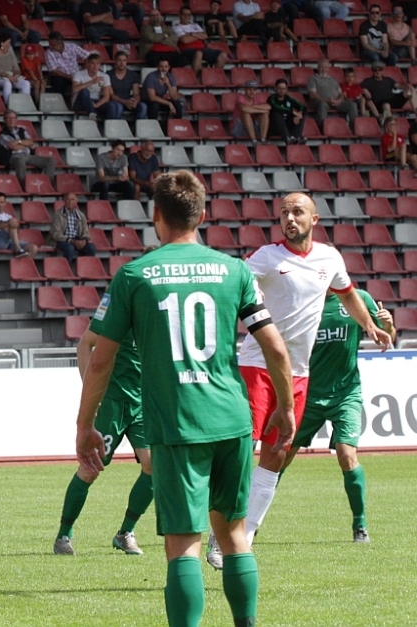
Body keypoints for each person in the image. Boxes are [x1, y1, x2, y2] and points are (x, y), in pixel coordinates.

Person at [75, 169, 296, 627]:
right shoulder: (234, 270)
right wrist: (287, 407)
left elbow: (99, 361)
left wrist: (85, 425)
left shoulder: (135, 275)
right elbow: (275, 348)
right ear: (203, 214)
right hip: (231, 419)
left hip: (177, 424)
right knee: (234, 534)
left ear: (155, 214)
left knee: (182, 543)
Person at [205, 192, 393, 569]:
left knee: (276, 455)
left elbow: (348, 294)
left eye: (297, 212)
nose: (290, 218)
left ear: (314, 219)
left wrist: (370, 326)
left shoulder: (329, 258)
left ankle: (244, 537)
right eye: (284, 213)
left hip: (298, 374)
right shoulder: (267, 257)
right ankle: (218, 532)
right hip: (258, 366)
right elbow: (235, 280)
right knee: (241, 450)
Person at [282, 290, 395, 543]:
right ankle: (251, 522)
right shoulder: (303, 300)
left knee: (347, 455)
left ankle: (360, 525)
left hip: (346, 394)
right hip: (308, 395)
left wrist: (387, 325)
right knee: (280, 457)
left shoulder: (358, 299)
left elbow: (386, 336)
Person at [55, 295, 151, 557]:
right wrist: (91, 393)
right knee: (90, 469)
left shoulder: (161, 314)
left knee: (153, 466)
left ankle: (125, 533)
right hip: (112, 403)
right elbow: (85, 344)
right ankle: (64, 535)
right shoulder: (119, 309)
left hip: (143, 404)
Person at [0, 109, 55, 186]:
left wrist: (18, 142)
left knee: (50, 161)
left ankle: (48, 185)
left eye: (13, 118)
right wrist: (25, 143)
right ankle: (23, 186)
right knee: (20, 159)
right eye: (9, 118)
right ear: (4, 120)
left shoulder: (22, 130)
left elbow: (31, 142)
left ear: (16, 119)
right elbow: (13, 147)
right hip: (12, 156)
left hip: (27, 155)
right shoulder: (3, 134)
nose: (11, 120)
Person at [174, 6, 227, 74]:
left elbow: (205, 36)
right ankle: (194, 78)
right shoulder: (176, 27)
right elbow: (184, 40)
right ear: (179, 15)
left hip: (201, 48)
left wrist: (191, 34)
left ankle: (214, 77)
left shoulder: (195, 25)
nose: (187, 16)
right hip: (186, 50)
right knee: (199, 53)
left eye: (189, 15)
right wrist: (198, 36)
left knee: (223, 55)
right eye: (184, 14)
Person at [0, 191, 38, 257]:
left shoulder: (8, 216)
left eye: (2, 202)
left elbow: (16, 225)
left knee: (33, 248)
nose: (0, 205)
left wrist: (15, 221)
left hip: (8, 242)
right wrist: (10, 223)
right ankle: (18, 249)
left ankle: (26, 263)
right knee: (10, 225)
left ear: (5, 203)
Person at [47, 191, 95, 262]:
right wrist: (71, 241)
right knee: (69, 248)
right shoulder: (58, 215)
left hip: (77, 239)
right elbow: (56, 234)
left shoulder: (81, 215)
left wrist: (84, 240)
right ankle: (66, 267)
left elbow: (86, 231)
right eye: (68, 199)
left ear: (76, 201)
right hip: (62, 240)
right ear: (64, 201)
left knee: (91, 247)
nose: (70, 202)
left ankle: (87, 267)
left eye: (72, 199)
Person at [0, 33, 31, 106]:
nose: (10, 44)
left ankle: (25, 104)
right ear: (2, 43)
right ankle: (8, 105)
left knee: (26, 83)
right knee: (7, 83)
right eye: (8, 42)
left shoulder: (10, 53)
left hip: (11, 77)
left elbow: (16, 68)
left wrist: (16, 75)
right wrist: (9, 77)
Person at [308, 59, 358, 124]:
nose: (324, 69)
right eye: (322, 67)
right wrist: (327, 100)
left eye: (326, 67)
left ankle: (354, 127)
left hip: (336, 101)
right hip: (323, 101)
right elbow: (312, 94)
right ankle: (322, 128)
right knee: (322, 105)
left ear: (328, 69)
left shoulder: (333, 79)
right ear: (318, 68)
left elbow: (340, 93)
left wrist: (339, 100)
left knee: (352, 105)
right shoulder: (313, 78)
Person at [72, 53, 119, 120]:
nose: (95, 66)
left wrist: (96, 105)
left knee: (112, 106)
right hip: (80, 102)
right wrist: (92, 82)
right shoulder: (79, 74)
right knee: (84, 91)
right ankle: (92, 114)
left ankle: (108, 125)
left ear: (100, 65)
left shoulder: (105, 76)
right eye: (92, 63)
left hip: (95, 101)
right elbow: (75, 89)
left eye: (97, 64)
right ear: (88, 63)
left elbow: (106, 97)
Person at [44, 32, 90, 101]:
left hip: (76, 74)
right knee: (57, 81)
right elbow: (54, 70)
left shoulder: (72, 47)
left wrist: (82, 70)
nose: (51, 47)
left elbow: (88, 56)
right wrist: (70, 77)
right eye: (50, 44)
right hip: (61, 76)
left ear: (60, 43)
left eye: (53, 45)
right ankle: (59, 101)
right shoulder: (48, 52)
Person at [267, 78, 305, 145]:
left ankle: (297, 138)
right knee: (277, 114)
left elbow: (302, 106)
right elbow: (276, 107)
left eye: (284, 89)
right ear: (275, 88)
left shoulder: (288, 98)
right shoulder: (272, 98)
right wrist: (292, 111)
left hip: (287, 126)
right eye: (279, 88)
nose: (282, 91)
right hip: (275, 128)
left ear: (286, 89)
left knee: (300, 116)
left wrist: (299, 114)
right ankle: (287, 139)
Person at [232, 80, 270, 145]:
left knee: (265, 114)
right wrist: (261, 110)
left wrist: (252, 107)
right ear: (245, 90)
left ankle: (263, 140)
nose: (252, 92)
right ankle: (254, 141)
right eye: (249, 89)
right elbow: (244, 108)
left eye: (254, 90)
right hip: (239, 129)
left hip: (253, 129)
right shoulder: (241, 98)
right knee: (245, 114)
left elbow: (268, 107)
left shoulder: (257, 98)